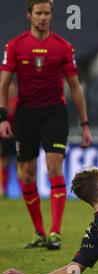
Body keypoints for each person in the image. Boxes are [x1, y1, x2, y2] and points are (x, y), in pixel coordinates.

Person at [0, 0, 92, 249]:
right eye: (38, 13)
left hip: (54, 114)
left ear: (51, 15)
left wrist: (84, 124)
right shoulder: (15, 46)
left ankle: (55, 232)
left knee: (54, 168)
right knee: (27, 175)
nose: (42, 17)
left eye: (47, 13)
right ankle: (39, 232)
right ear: (29, 15)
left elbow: (75, 87)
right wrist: (2, 118)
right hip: (25, 116)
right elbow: (4, 83)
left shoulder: (62, 47)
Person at [0, 81, 19, 198]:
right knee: (4, 163)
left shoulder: (17, 102)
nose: (11, 90)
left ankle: (24, 189)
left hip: (16, 136)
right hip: (4, 136)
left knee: (20, 163)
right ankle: (3, 190)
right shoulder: (3, 103)